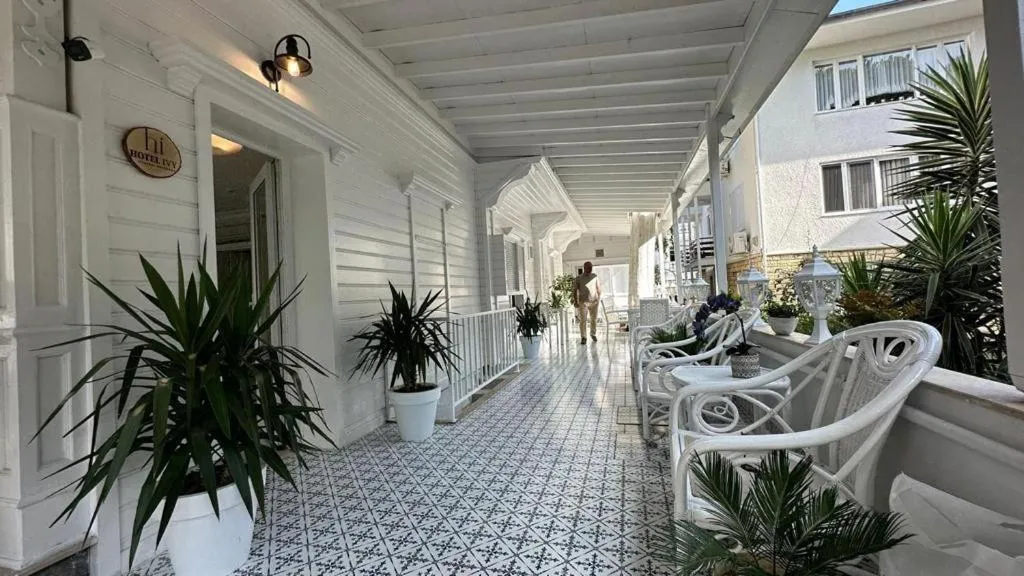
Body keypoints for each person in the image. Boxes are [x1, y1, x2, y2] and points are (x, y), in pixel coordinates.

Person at [572, 261, 601, 345]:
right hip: (583, 302)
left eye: (591, 268)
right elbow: (574, 290)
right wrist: (575, 301)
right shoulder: (578, 278)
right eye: (588, 268)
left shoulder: (594, 276)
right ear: (584, 268)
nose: (590, 269)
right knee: (583, 320)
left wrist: (598, 298)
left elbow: (598, 288)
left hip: (594, 302)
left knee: (594, 319)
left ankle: (593, 334)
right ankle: (583, 337)